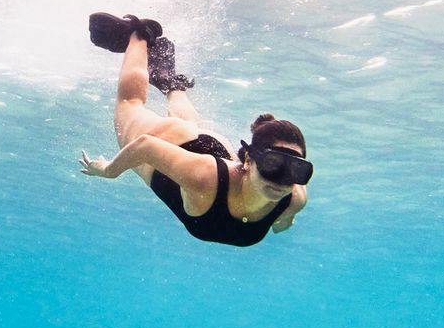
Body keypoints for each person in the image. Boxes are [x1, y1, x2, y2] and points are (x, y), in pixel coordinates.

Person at [78, 14, 311, 247]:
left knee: (191, 126)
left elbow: (283, 213)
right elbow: (146, 146)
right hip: (174, 144)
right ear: (248, 159)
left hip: (212, 147)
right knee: (129, 104)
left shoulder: (293, 199)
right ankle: (138, 34)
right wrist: (109, 171)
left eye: (296, 170)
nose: (282, 180)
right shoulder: (203, 177)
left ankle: (170, 82)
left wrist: (285, 219)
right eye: (273, 164)